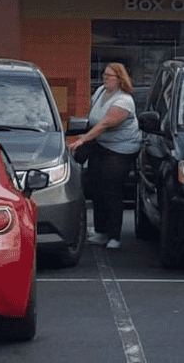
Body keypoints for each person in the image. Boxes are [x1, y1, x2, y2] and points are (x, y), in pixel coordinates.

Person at [69, 62, 140, 250]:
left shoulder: (124, 101)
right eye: (104, 75)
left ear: (120, 79)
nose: (105, 79)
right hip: (101, 146)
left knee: (111, 189)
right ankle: (100, 231)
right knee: (94, 187)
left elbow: (104, 125)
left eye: (110, 76)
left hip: (120, 150)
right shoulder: (101, 91)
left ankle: (114, 235)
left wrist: (83, 140)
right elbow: (93, 118)